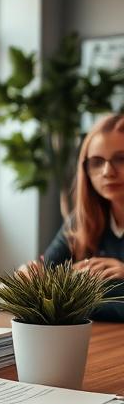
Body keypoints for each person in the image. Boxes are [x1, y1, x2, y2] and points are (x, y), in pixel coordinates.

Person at [41, 113, 124, 319]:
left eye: (121, 159)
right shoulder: (81, 220)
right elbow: (42, 287)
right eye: (96, 162)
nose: (107, 172)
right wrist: (32, 277)